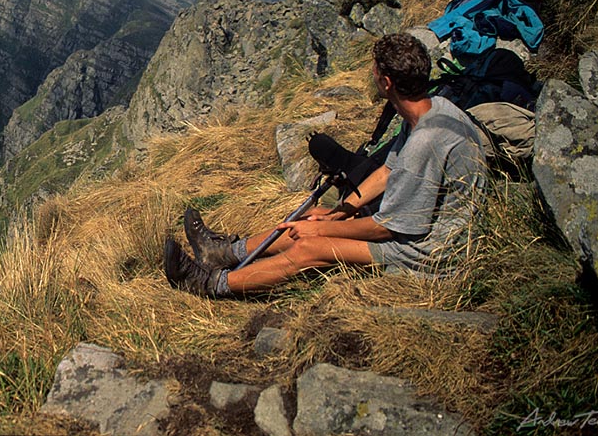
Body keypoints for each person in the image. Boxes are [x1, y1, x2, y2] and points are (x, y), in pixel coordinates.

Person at [164, 32, 487, 297]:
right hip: (422, 234)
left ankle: (208, 285)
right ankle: (220, 253)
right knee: (306, 223)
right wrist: (338, 212)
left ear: (387, 83)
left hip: (433, 256)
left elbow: (387, 227)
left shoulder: (425, 144)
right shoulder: (432, 110)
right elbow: (388, 171)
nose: (371, 75)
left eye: (374, 71)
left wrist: (320, 230)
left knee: (309, 247)